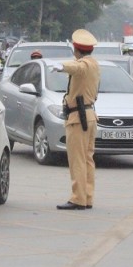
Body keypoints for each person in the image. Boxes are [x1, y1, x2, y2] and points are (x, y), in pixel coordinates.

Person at [51, 29, 100, 211]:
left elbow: (76, 67)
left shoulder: (84, 65)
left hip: (79, 118)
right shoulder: (94, 64)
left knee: (77, 160)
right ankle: (87, 197)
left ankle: (78, 198)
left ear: (76, 49)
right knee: (87, 159)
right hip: (89, 115)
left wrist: (61, 66)